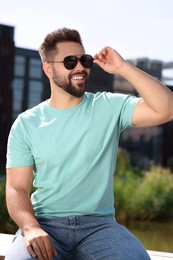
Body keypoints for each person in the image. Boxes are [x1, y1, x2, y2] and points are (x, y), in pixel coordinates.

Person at [5, 27, 173, 260]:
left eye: (84, 60)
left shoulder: (108, 106)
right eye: (70, 61)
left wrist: (123, 68)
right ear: (48, 68)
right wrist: (31, 227)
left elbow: (167, 109)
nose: (80, 67)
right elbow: (16, 189)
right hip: (45, 224)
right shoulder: (26, 124)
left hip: (100, 227)